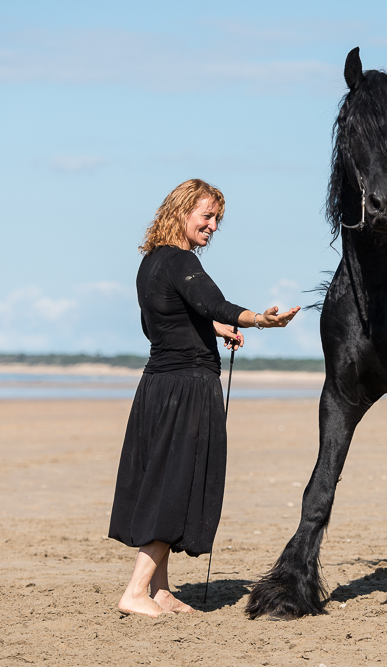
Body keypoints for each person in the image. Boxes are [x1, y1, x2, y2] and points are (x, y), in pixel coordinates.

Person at [109, 178, 300, 617]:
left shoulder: (151, 263)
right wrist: (257, 320)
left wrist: (216, 330)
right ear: (180, 212)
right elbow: (214, 302)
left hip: (156, 384)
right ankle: (135, 591)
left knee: (159, 480)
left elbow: (170, 317)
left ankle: (160, 590)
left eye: (217, 219)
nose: (213, 226)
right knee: (176, 485)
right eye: (206, 216)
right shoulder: (182, 262)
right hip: (188, 387)